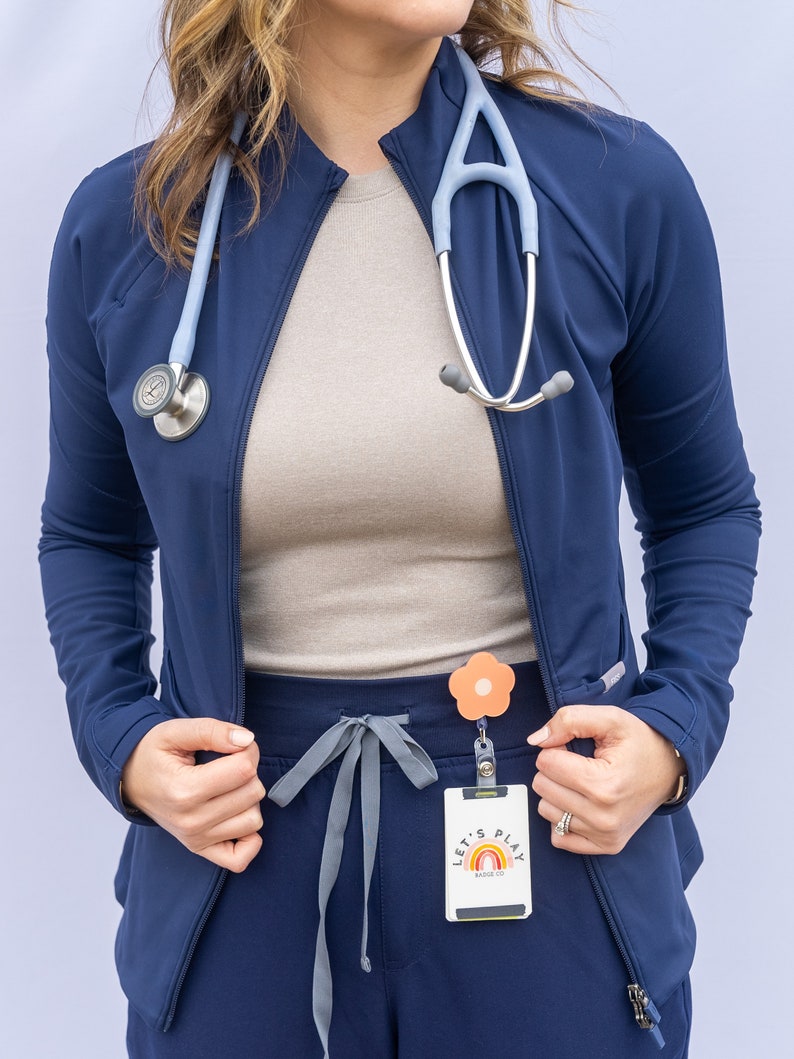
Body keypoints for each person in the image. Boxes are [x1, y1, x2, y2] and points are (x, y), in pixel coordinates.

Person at [40, 1, 760, 1056]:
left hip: (543, 825)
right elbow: (91, 536)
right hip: (238, 843)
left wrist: (671, 731)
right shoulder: (137, 226)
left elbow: (702, 507)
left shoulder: (611, 188)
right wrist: (123, 740)